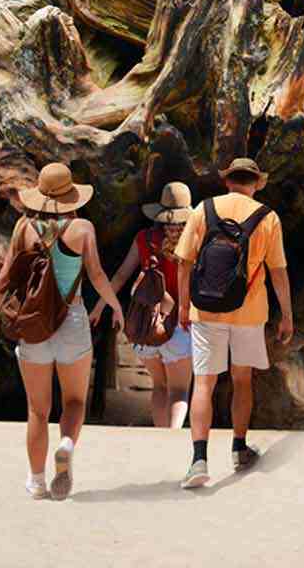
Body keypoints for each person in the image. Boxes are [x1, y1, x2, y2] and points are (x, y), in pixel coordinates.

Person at [0, 163, 124, 501]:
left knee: (37, 409)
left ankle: (36, 480)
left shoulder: (24, 227)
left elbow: (4, 278)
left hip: (33, 325)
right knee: (75, 401)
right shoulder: (82, 228)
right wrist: (114, 306)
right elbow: (97, 275)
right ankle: (66, 444)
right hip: (72, 319)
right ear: (71, 195)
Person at [174, 158, 292, 488]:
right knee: (242, 380)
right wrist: (287, 315)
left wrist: (184, 306)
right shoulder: (268, 218)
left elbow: (184, 262)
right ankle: (239, 449)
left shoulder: (203, 209)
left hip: (206, 311)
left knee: (204, 384)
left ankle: (199, 460)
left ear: (228, 181)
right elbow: (278, 271)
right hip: (249, 314)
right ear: (255, 184)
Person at [89, 182, 194, 429]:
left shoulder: (144, 239)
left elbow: (120, 276)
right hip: (181, 325)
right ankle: (173, 434)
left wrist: (99, 308)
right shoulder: (194, 241)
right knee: (179, 391)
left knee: (159, 386)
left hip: (146, 325)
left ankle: (159, 434)